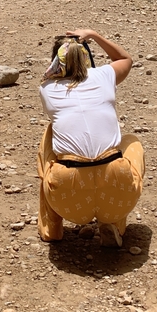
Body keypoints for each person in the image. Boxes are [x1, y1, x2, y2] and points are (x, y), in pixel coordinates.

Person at [37, 29, 145, 247]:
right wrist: (94, 35)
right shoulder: (104, 76)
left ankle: (52, 228)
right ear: (85, 56)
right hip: (117, 195)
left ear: (55, 61)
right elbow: (126, 59)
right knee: (131, 142)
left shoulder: (47, 89)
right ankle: (114, 224)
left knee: (50, 133)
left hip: (68, 200)